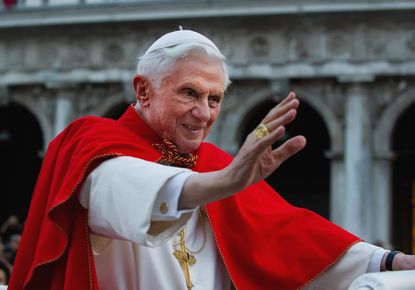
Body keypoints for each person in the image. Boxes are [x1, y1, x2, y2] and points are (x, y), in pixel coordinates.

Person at [8, 29, 415, 290]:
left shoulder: (217, 163)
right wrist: (225, 182)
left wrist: (392, 261)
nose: (203, 113)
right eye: (189, 93)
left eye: (214, 98)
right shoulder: (93, 143)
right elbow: (120, 189)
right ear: (143, 90)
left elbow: (288, 237)